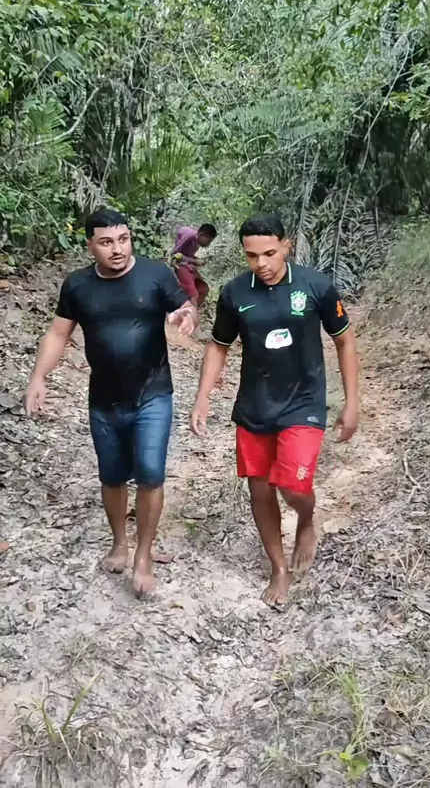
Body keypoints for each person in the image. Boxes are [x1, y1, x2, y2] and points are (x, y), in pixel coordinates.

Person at [25, 208, 197, 597]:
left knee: (150, 473)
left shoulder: (154, 274)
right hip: (104, 399)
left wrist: (187, 315)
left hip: (153, 393)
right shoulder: (77, 285)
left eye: (123, 239)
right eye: (106, 242)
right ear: (90, 245)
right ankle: (120, 541)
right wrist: (38, 377)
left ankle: (143, 555)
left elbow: (184, 305)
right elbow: (58, 334)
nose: (117, 249)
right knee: (112, 477)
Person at [191, 215, 358, 609]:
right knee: (260, 490)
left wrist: (352, 402)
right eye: (252, 256)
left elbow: (344, 340)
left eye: (269, 253)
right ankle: (279, 568)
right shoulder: (235, 293)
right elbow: (218, 345)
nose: (261, 263)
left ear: (286, 245)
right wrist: (202, 395)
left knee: (293, 486)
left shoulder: (315, 286)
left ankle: (306, 520)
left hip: (304, 401)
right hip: (255, 405)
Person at [171, 223, 217, 308]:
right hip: (179, 265)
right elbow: (174, 254)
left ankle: (191, 308)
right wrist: (194, 261)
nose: (208, 244)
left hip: (188, 265)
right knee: (193, 294)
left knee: (203, 288)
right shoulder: (189, 236)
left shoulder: (197, 241)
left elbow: (187, 255)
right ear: (201, 234)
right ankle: (191, 312)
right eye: (208, 241)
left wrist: (197, 260)